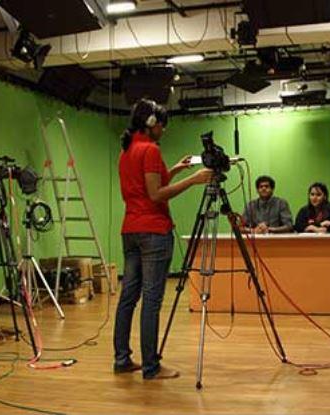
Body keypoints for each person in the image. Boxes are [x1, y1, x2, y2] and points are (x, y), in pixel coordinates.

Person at [113, 99, 212, 380]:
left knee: (128, 298)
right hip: (154, 232)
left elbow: (149, 186)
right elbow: (156, 194)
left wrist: (177, 169)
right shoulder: (151, 150)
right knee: (152, 299)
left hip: (131, 230)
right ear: (152, 123)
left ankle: (122, 359)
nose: (165, 130)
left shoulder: (127, 151)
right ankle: (151, 367)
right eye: (163, 125)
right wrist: (193, 180)